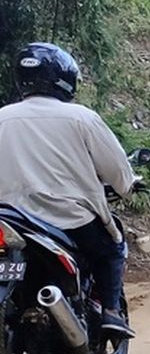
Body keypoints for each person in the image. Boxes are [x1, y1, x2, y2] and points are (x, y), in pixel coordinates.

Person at [0, 43, 139, 338]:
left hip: (8, 219)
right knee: (113, 248)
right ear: (64, 78)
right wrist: (127, 186)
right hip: (69, 219)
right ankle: (111, 313)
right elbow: (117, 172)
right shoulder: (81, 117)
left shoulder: (2, 117)